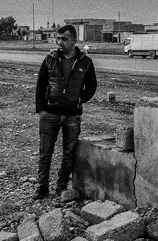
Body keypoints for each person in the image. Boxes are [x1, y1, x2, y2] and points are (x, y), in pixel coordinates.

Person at [34, 25, 97, 200]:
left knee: (69, 153)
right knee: (45, 152)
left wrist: (80, 98)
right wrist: (41, 110)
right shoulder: (50, 59)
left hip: (72, 115)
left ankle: (61, 187)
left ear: (74, 41)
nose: (59, 42)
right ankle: (42, 187)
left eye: (64, 39)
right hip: (50, 113)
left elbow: (92, 86)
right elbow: (40, 85)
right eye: (58, 38)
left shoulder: (85, 62)